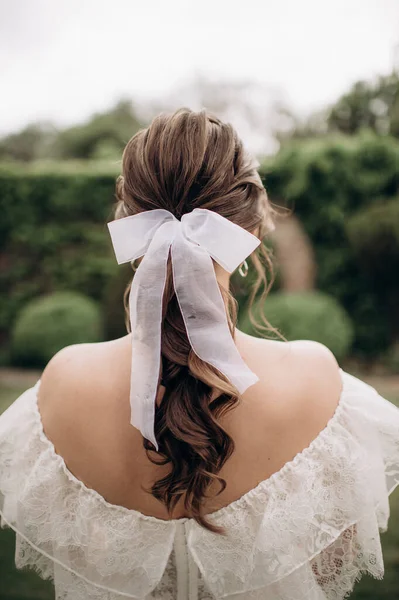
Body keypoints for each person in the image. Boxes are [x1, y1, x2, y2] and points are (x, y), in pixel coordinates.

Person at [0, 108, 398, 600]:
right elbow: (331, 561)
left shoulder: (62, 379)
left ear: (127, 225)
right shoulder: (317, 379)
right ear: (252, 232)